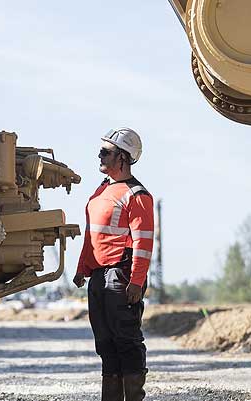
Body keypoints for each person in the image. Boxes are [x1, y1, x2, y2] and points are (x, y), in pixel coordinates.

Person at [73, 128, 154, 401]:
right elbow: (92, 234)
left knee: (127, 341)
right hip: (98, 276)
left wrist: (136, 282)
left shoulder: (137, 195)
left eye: (105, 152)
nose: (100, 156)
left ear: (123, 157)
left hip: (121, 275)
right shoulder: (101, 190)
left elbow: (143, 242)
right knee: (105, 344)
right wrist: (82, 267)